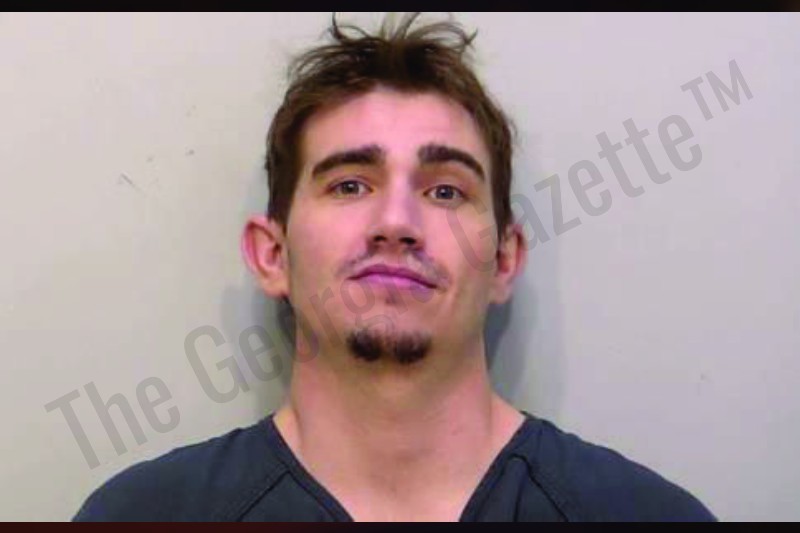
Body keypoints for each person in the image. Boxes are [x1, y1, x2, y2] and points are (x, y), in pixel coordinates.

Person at [74, 13, 716, 522]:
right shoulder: (142, 514)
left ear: (504, 260)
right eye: (350, 184)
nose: (397, 221)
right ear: (272, 254)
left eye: (446, 191)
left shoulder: (646, 515)